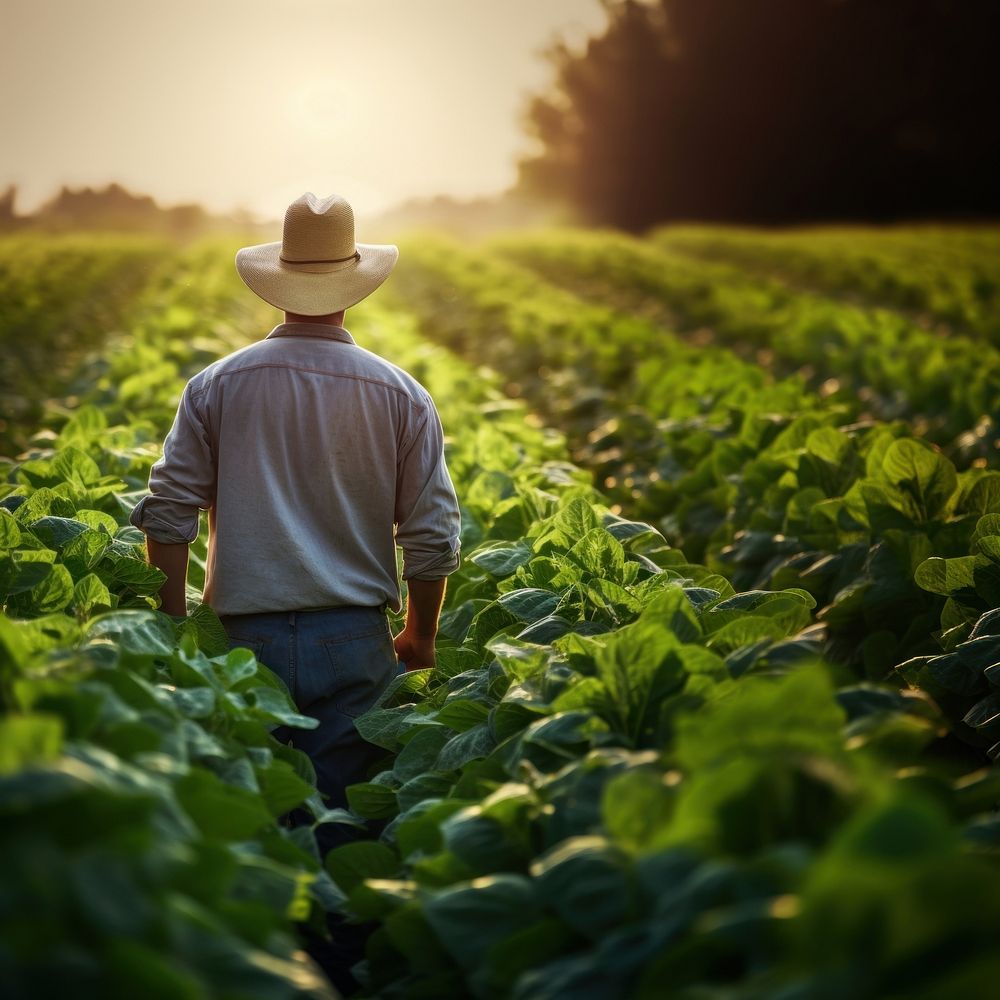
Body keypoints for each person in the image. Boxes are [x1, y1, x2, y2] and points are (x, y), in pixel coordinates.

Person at [128, 191, 462, 991]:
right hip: (355, 638)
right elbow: (433, 534)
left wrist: (175, 625)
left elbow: (168, 512)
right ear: (353, 286)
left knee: (250, 830)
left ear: (275, 282)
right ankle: (342, 976)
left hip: (242, 646)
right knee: (345, 833)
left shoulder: (217, 385)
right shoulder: (399, 392)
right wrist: (420, 636)